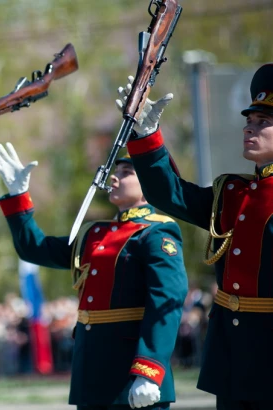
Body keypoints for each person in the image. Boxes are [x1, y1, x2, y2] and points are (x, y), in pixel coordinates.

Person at [115, 64, 273, 409]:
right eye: (250, 120)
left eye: (263, 122)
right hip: (232, 347)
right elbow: (170, 194)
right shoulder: (232, 192)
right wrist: (147, 135)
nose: (250, 127)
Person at [0, 142, 188, 409]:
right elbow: (34, 249)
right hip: (92, 372)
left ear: (151, 183)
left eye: (128, 171)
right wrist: (18, 196)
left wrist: (149, 370)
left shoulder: (155, 234)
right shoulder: (94, 233)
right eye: (116, 170)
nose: (116, 176)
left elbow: (166, 304)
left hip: (132, 371)